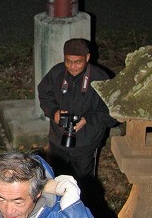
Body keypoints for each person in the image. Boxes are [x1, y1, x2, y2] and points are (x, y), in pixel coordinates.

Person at [37, 38, 117, 185]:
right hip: (58, 139)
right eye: (68, 61)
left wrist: (88, 119)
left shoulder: (100, 79)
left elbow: (112, 111)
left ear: (87, 58)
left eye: (78, 62)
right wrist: (54, 112)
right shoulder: (57, 73)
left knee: (83, 184)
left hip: (86, 142)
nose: (72, 66)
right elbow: (44, 94)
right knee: (54, 181)